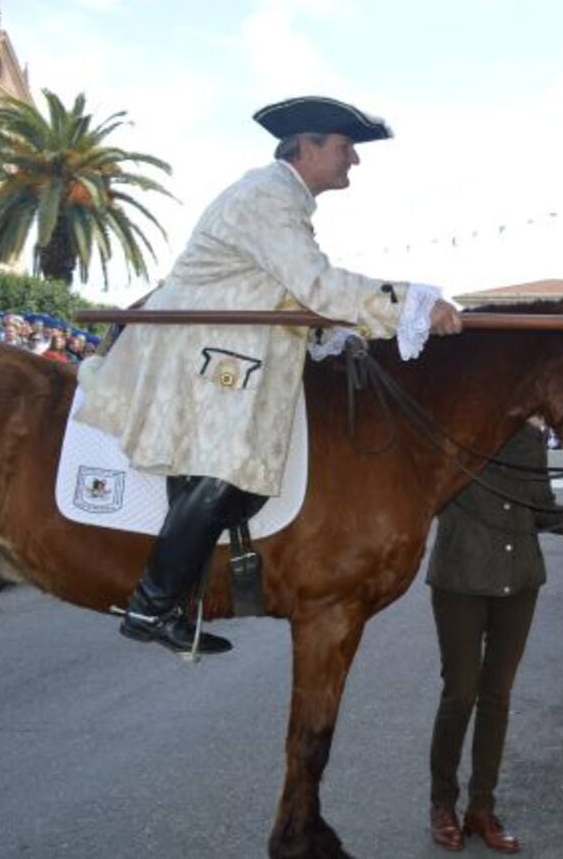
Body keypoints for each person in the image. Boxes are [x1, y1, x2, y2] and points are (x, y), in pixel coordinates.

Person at [76, 96, 463, 655]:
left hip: (229, 350)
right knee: (225, 463)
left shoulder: (285, 200)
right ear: (305, 147)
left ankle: (181, 593)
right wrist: (412, 303)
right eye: (343, 146)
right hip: (199, 352)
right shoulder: (268, 195)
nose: (353, 159)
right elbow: (317, 286)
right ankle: (151, 603)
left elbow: (291, 296)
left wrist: (339, 333)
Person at [427, 421, 563, 853]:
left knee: (497, 696)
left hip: (519, 580)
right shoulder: (454, 426)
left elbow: (537, 507)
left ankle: (481, 807)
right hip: (460, 578)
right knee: (460, 693)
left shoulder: (530, 440)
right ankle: (442, 804)